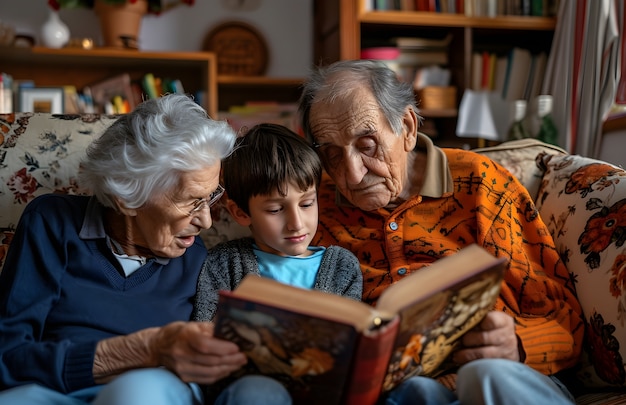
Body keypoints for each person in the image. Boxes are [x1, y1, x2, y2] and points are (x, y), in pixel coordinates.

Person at [297, 59, 584, 405]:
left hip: (495, 377)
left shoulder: (480, 183)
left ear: (407, 127)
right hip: (401, 393)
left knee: (486, 376)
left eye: (367, 144)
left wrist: (519, 344)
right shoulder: (313, 209)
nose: (353, 175)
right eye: (331, 154)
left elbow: (563, 317)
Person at [0, 94, 290, 405]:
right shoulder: (52, 223)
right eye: (192, 201)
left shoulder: (195, 257)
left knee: (138, 394)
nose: (206, 221)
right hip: (56, 393)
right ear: (128, 196)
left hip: (150, 393)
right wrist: (145, 349)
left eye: (211, 196)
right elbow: (7, 357)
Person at [193, 123, 362, 323]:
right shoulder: (224, 264)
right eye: (275, 210)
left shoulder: (342, 267)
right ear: (241, 213)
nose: (296, 223)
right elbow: (204, 332)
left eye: (307, 204)